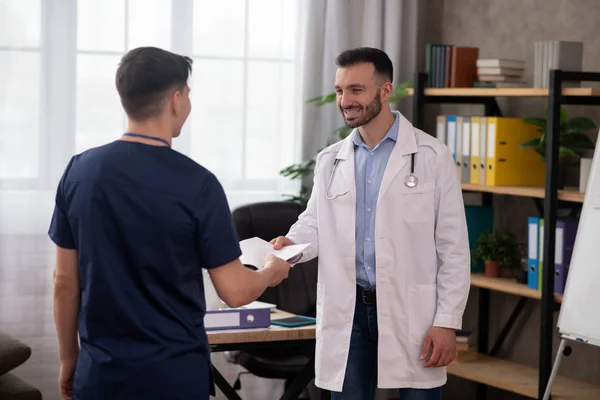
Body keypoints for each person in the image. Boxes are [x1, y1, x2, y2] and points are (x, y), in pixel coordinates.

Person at [49, 46, 291, 400]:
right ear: (176, 99)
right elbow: (236, 291)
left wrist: (68, 358)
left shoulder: (79, 172)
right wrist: (272, 269)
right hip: (174, 377)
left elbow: (64, 282)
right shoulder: (198, 184)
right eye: (188, 96)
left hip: (100, 375)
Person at [271, 47, 470, 399]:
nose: (345, 100)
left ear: (385, 90)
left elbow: (453, 249)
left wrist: (446, 321)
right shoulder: (330, 160)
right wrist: (291, 246)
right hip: (349, 312)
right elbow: (314, 224)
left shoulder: (431, 156)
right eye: (339, 91)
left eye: (356, 90)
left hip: (414, 312)